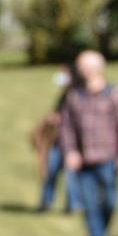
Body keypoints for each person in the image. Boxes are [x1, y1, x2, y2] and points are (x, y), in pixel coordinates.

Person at [61, 50, 118, 236]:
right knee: (89, 204)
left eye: (83, 67)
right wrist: (71, 151)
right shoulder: (74, 95)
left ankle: (100, 233)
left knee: (110, 201)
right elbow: (66, 127)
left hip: (108, 159)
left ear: (96, 69)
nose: (80, 71)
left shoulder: (113, 94)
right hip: (83, 161)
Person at [31, 66, 82, 213]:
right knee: (50, 171)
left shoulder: (78, 95)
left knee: (71, 175)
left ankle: (73, 205)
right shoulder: (65, 94)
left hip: (71, 142)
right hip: (57, 141)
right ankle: (46, 202)